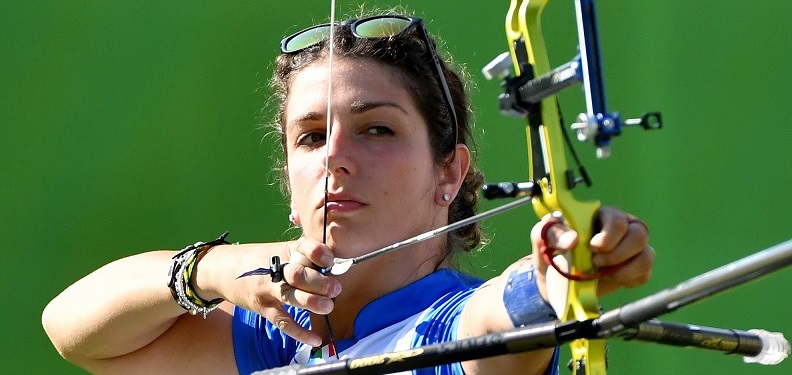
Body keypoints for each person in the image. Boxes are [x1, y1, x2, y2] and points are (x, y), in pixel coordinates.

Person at [42, 9, 654, 375]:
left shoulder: (445, 333)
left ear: (451, 173)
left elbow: (510, 309)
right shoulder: (280, 336)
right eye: (310, 138)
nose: (335, 154)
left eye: (377, 129)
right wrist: (216, 269)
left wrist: (565, 263)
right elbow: (74, 331)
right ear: (289, 183)